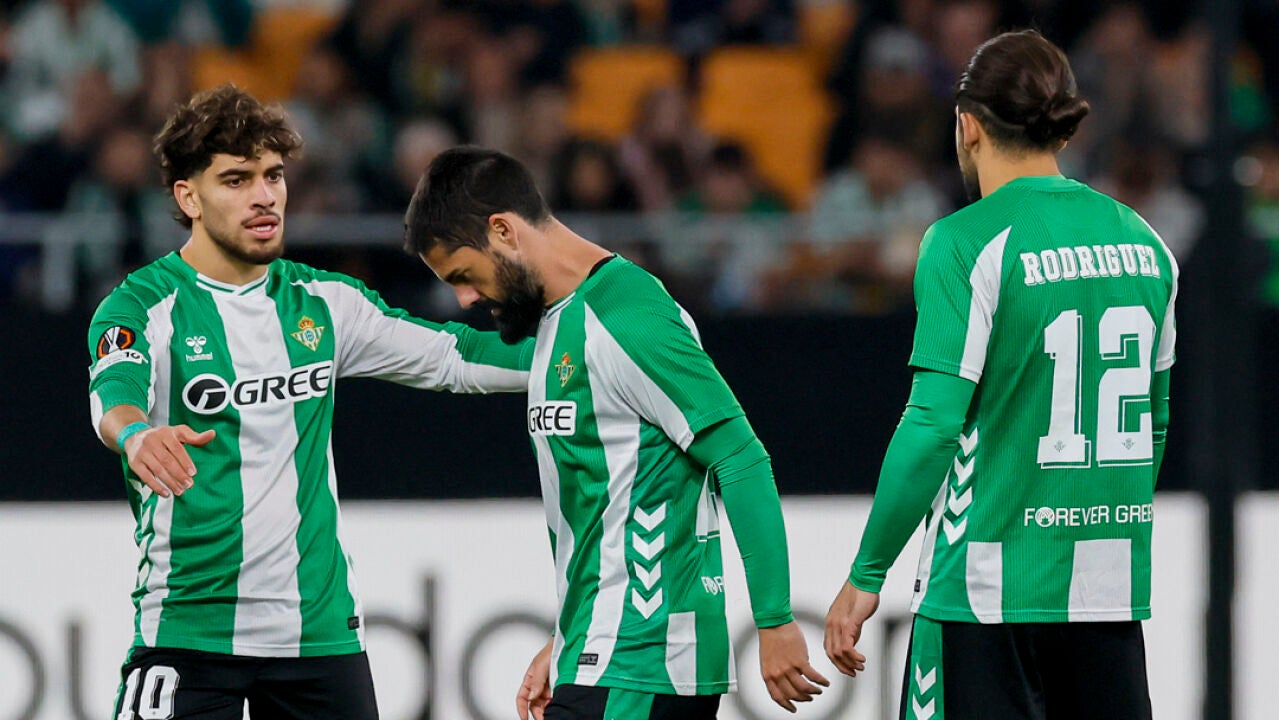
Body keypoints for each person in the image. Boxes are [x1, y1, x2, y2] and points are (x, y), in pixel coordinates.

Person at [88, 85, 531, 719]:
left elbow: (454, 357)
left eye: (272, 175)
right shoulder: (142, 306)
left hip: (317, 638)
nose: (265, 196)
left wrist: (588, 348)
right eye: (236, 180)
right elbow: (114, 394)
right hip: (188, 632)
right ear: (189, 197)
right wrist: (136, 434)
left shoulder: (325, 304)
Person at [823, 30, 1177, 720]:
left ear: (967, 124)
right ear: (1061, 128)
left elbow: (932, 424)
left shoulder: (964, 242)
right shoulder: (1146, 243)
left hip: (983, 595)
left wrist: (867, 573)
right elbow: (1153, 425)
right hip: (1107, 598)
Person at [404, 146, 828, 719]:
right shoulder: (561, 321)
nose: (466, 299)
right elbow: (611, 505)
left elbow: (740, 458)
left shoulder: (628, 316)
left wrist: (774, 621)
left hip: (639, 660)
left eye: (463, 275)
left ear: (502, 231)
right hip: (607, 654)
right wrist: (566, 637)